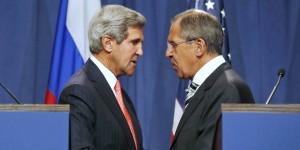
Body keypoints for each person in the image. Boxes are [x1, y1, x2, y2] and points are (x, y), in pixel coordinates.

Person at [59, 5, 146, 150]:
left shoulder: (119, 94)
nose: (140, 51)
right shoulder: (78, 92)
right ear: (108, 43)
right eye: (134, 42)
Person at [166, 9, 255, 150]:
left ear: (199, 47)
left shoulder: (226, 90)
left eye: (174, 45)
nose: (168, 53)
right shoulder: (212, 86)